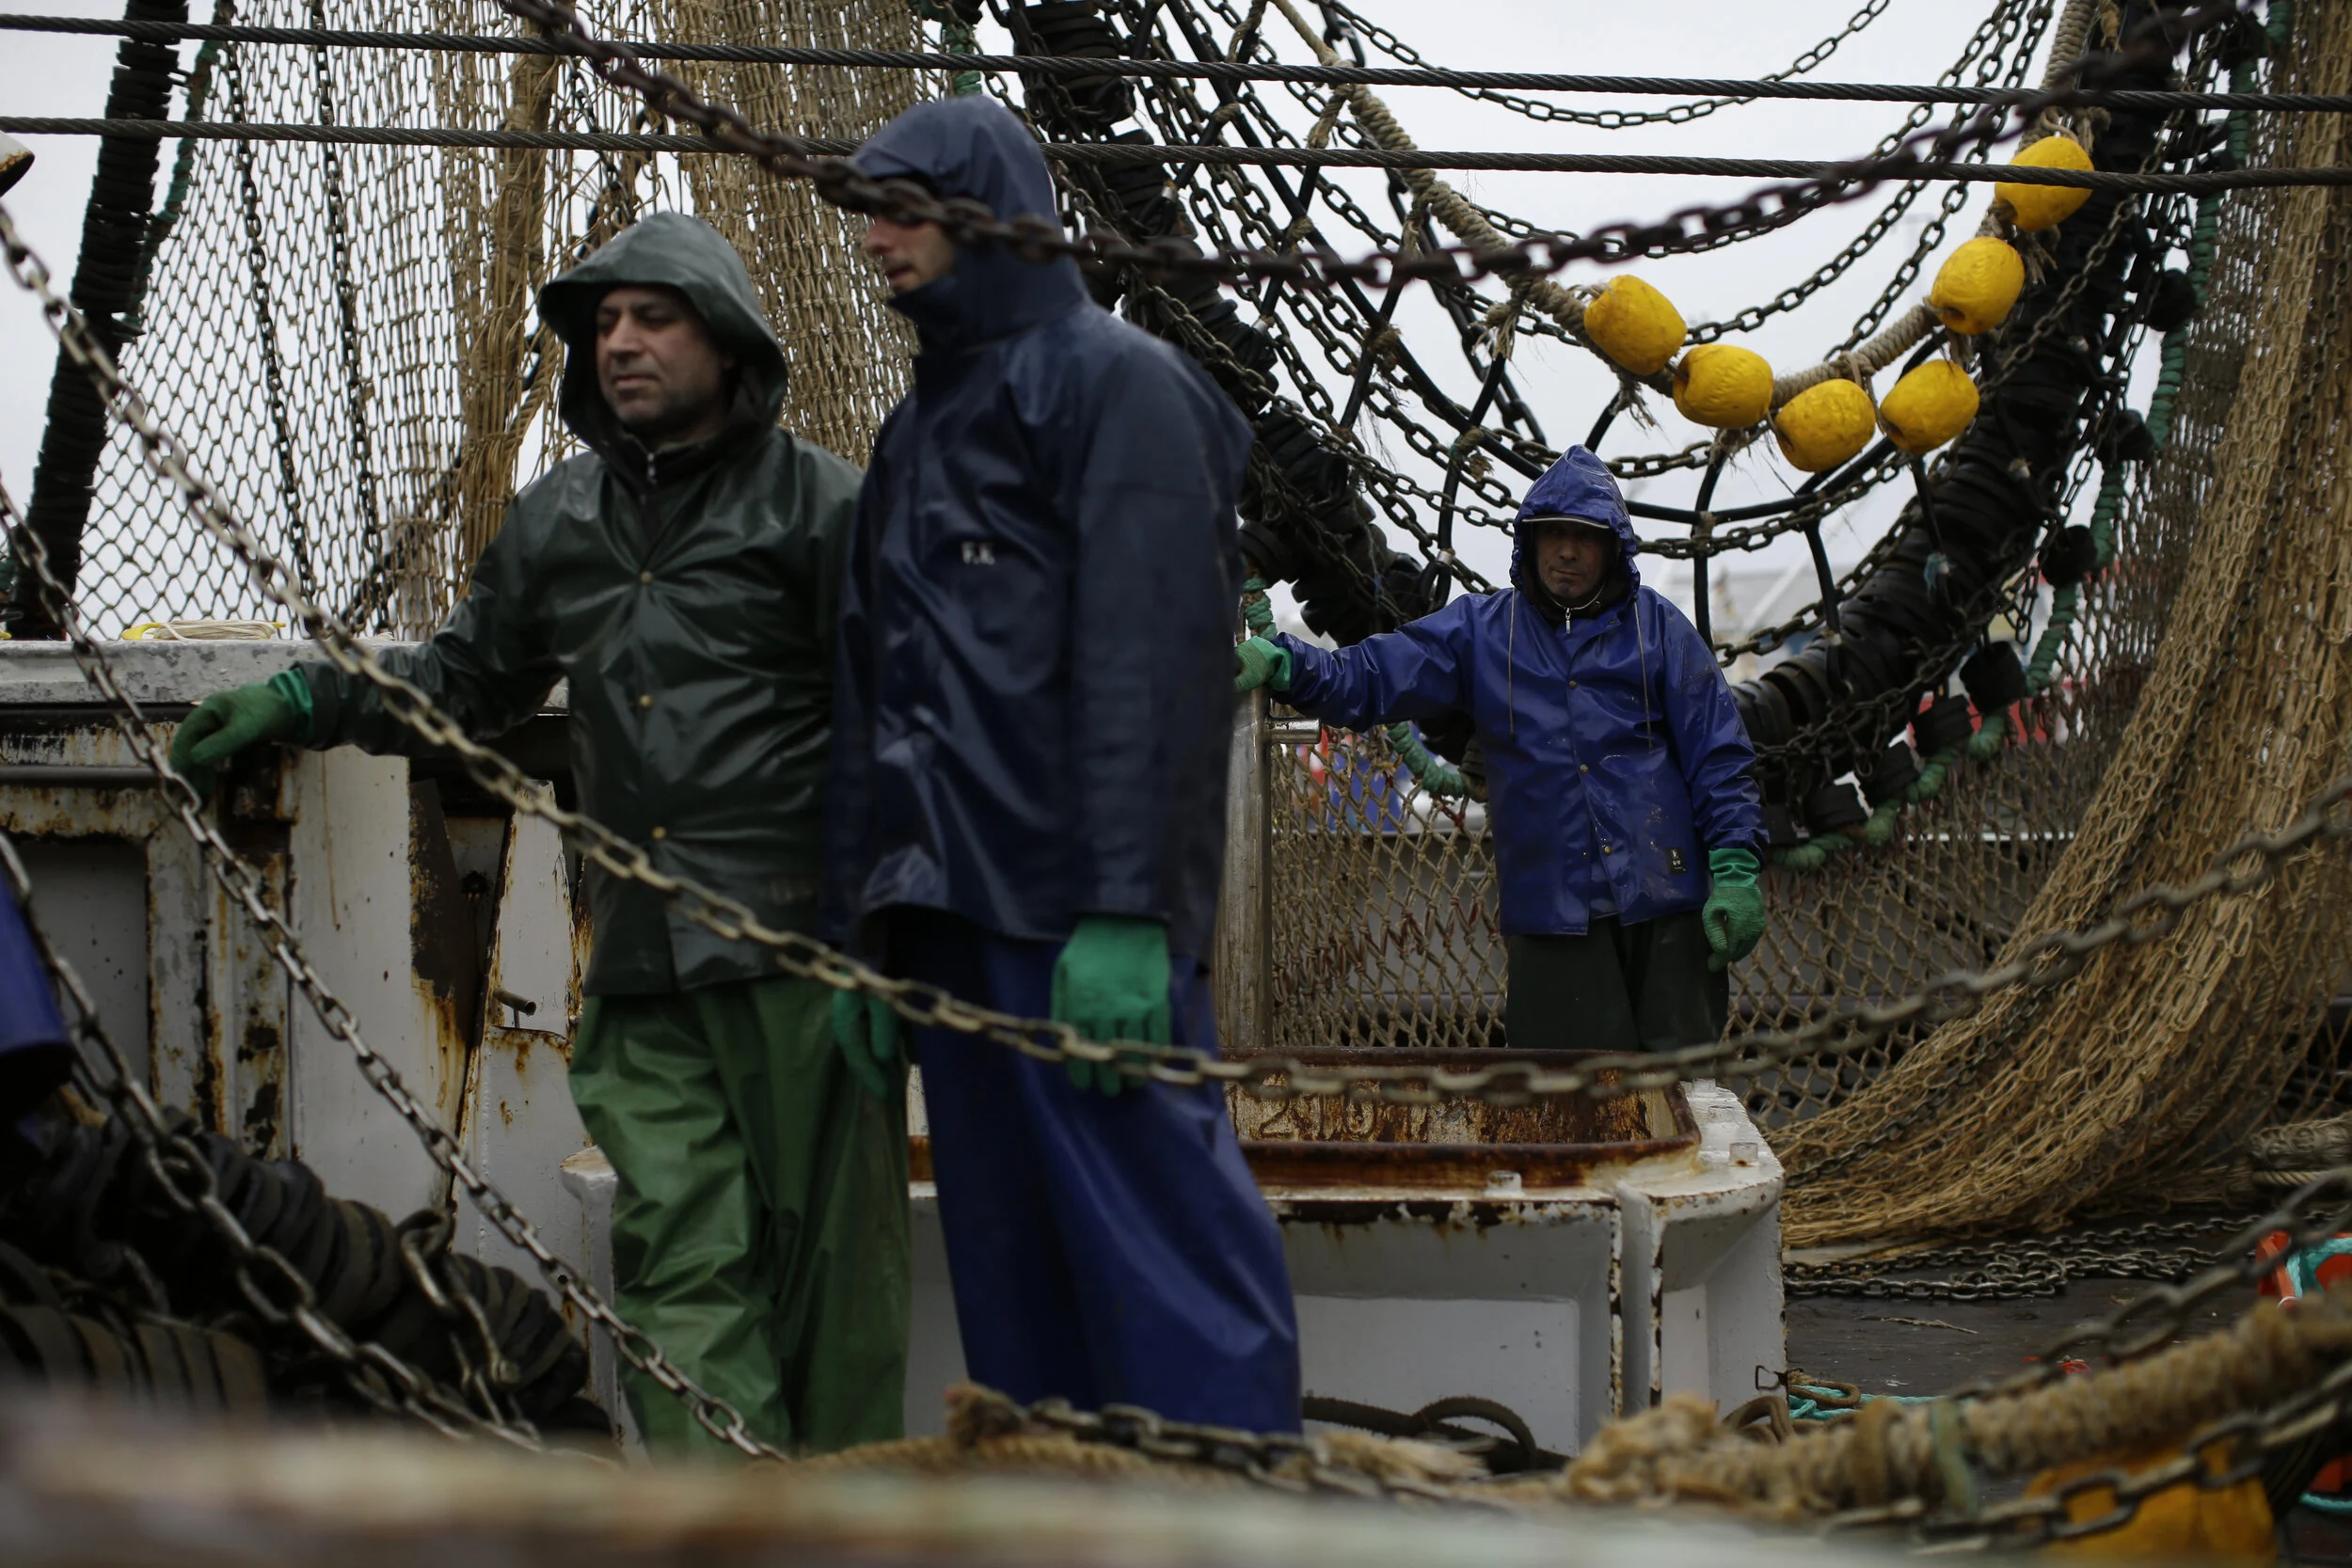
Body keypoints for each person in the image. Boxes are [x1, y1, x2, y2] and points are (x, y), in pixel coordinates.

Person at [165, 214, 907, 1457]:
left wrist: (894, 930)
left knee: (839, 1288)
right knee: (680, 1271)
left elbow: (914, 716)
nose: (620, 341)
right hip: (641, 968)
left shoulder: (827, 511)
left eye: (651, 316)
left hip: (807, 961)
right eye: (602, 322)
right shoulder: (560, 521)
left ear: (727, 340)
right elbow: (466, 680)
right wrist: (311, 695)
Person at [821, 96, 1301, 1435]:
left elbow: (1152, 664)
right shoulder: (913, 435)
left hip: (1076, 922)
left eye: (903, 207)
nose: (874, 237)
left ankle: (1226, 1519)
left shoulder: (1119, 386)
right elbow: (872, 694)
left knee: (1162, 1249)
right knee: (1011, 1269)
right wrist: (861, 933)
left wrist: (1128, 910)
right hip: (952, 922)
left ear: (990, 210)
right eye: (870, 210)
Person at [1234, 447, 1767, 1054]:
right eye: (1554, 534)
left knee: (1687, 1089)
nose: (1567, 550)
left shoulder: (1661, 628)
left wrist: (1734, 870)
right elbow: (1373, 674)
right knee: (1563, 1100)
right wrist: (1287, 661)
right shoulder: (1481, 631)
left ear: (1613, 548)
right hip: (1552, 912)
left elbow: (1718, 753)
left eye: (1585, 537)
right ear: (1531, 543)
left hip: (1667, 900)